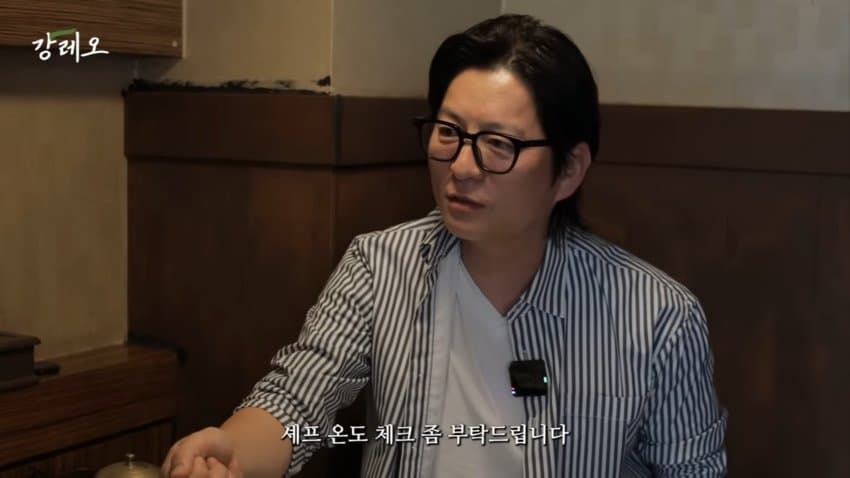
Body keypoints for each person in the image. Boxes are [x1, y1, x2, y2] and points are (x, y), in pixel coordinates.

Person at [162, 14, 727, 478]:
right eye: (449, 132)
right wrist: (230, 453)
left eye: (498, 144)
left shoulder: (657, 318)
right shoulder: (381, 266)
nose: (462, 167)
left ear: (569, 169)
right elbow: (297, 400)